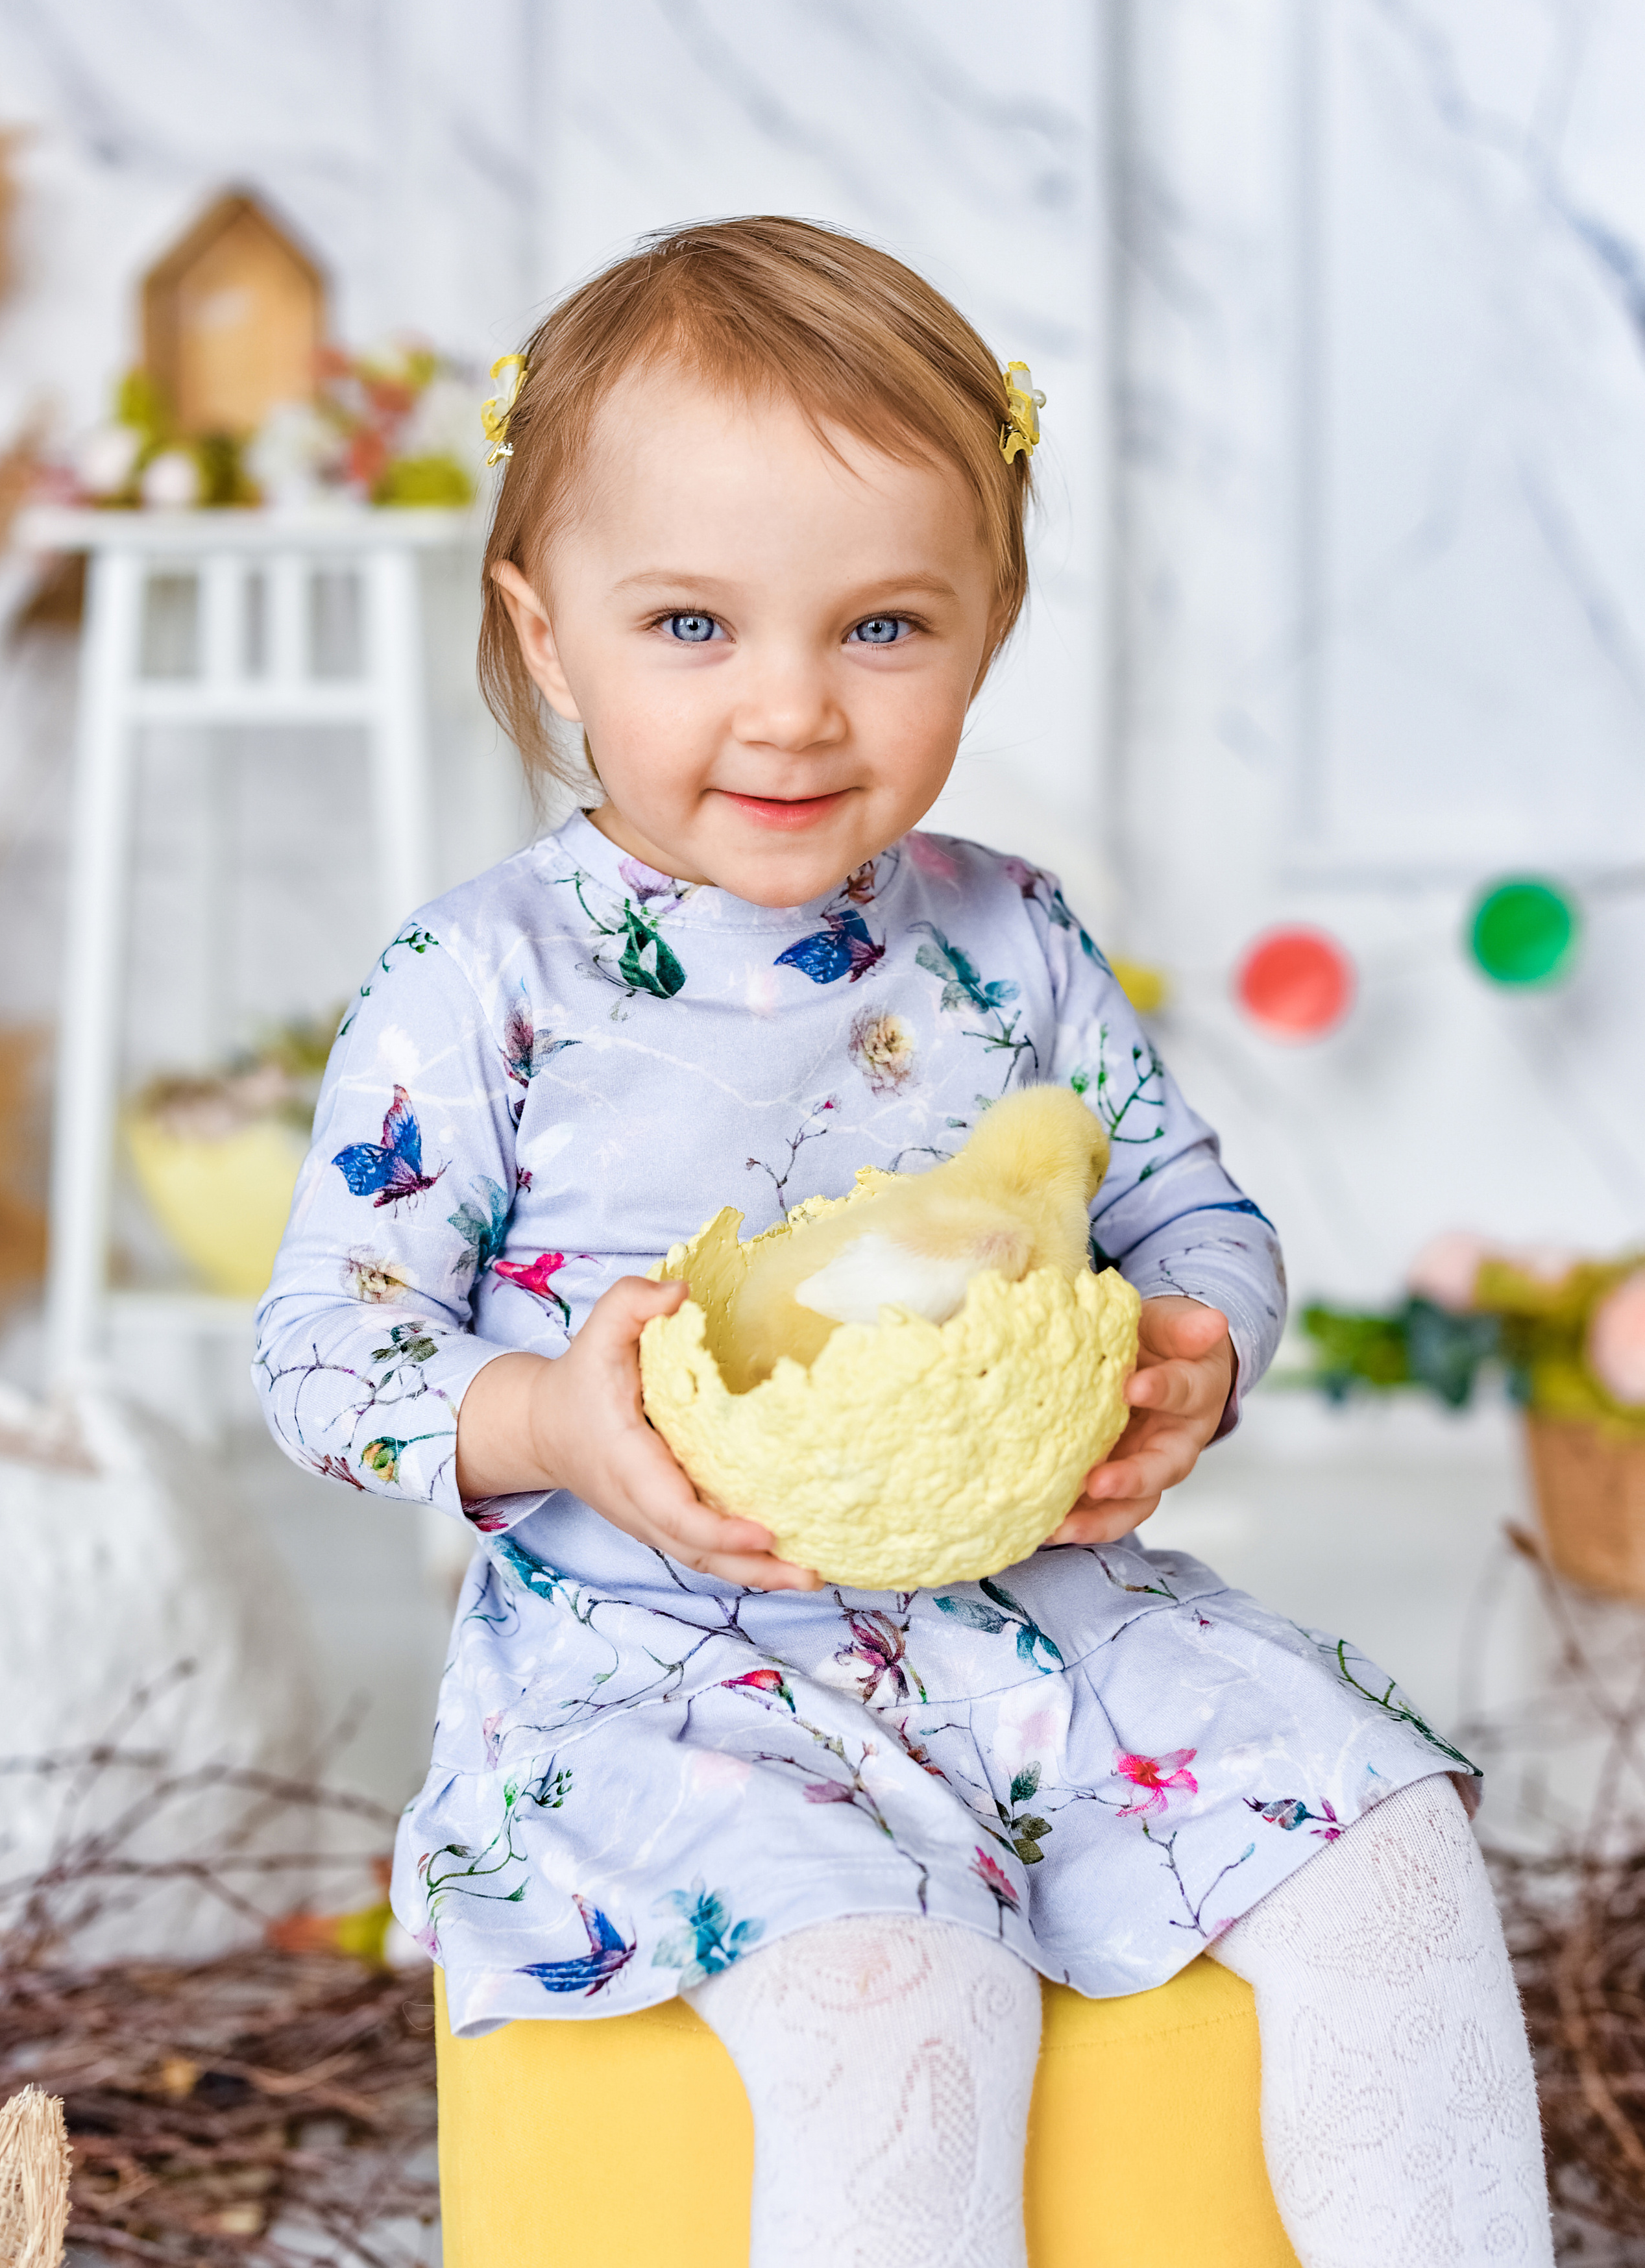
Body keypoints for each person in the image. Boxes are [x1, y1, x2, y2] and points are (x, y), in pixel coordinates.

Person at [255, 218, 1550, 2267]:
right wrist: (550, 1421)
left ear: (990, 619)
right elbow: (327, 1347)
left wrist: (1199, 1343)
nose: (791, 710)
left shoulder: (1011, 931)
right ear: (545, 620)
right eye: (690, 623)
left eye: (882, 628)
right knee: (897, 2001)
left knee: (1389, 1832)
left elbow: (1189, 1205)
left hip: (1035, 1616)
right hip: (664, 1670)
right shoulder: (479, 982)